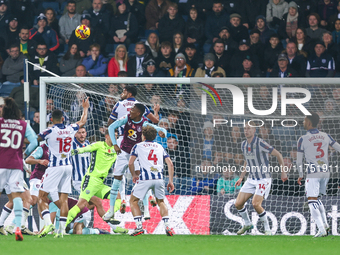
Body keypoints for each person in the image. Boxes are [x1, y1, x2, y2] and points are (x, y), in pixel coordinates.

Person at [103, 103, 167, 223]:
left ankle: (146, 209)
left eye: (132, 110)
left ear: (138, 113)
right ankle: (111, 210)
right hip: (123, 152)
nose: (130, 111)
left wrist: (163, 133)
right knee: (116, 180)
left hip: (136, 154)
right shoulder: (126, 118)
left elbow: (161, 129)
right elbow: (111, 127)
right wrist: (115, 144)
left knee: (140, 179)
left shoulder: (144, 123)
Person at [37, 98, 89, 238]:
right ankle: (61, 231)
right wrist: (85, 108)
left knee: (41, 197)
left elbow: (36, 138)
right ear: (62, 119)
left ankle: (48, 223)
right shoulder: (70, 128)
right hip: (68, 167)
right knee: (64, 199)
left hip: (55, 167)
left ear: (52, 119)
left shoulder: (49, 131)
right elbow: (82, 121)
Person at [65, 130, 128, 234]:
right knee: (81, 205)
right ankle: (60, 226)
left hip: (99, 183)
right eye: (113, 136)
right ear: (107, 136)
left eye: (116, 137)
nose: (115, 139)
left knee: (117, 197)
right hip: (90, 180)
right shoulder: (98, 145)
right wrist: (75, 151)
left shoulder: (115, 150)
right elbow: (86, 149)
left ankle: (111, 219)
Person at [234, 121, 287, 235]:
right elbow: (247, 161)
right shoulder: (243, 144)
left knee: (256, 204)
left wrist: (283, 172)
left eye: (249, 128)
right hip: (251, 179)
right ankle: (247, 223)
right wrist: (241, 177)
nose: (246, 130)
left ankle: (267, 229)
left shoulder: (260, 143)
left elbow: (278, 154)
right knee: (238, 204)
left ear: (254, 130)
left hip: (263, 178)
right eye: (245, 128)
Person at [296, 112, 340, 237]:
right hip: (326, 172)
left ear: (309, 123)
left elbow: (299, 161)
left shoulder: (302, 139)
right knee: (317, 199)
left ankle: (320, 229)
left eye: (304, 120)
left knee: (311, 201)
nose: (303, 122)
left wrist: (300, 174)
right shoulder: (326, 136)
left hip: (313, 172)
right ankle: (325, 226)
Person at [0, 97, 38, 240]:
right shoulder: (22, 124)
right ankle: (17, 228)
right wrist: (24, 154)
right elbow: (34, 141)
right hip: (15, 165)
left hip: (1, 163)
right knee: (16, 196)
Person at [128, 125, 175, 236]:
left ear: (143, 135)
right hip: (159, 178)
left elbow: (130, 163)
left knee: (133, 201)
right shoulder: (159, 147)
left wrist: (134, 174)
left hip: (145, 178)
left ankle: (139, 227)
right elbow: (170, 164)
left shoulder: (137, 146)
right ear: (154, 136)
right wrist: (171, 181)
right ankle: (167, 226)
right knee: (161, 202)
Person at [70, 127, 90, 194]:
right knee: (88, 197)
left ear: (86, 133)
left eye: (83, 132)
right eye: (79, 133)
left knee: (88, 202)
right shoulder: (71, 145)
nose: (82, 135)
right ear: (75, 134)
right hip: (78, 180)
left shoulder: (88, 144)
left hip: (89, 179)